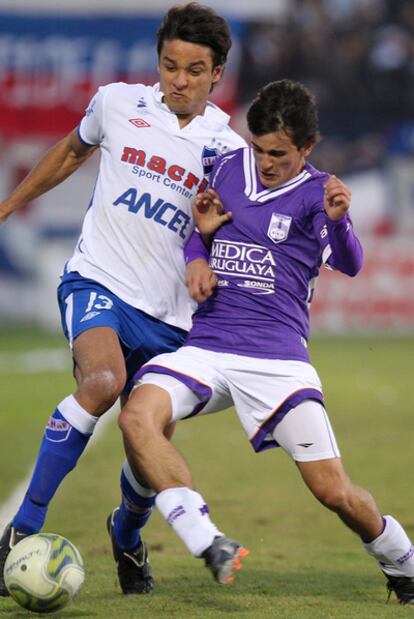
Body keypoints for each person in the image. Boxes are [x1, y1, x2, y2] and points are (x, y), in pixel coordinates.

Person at [116, 79, 414, 604]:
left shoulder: (319, 193)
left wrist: (341, 224)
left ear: (307, 148)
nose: (266, 160)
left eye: (278, 152)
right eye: (258, 147)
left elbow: (351, 263)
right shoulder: (229, 168)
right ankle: (207, 540)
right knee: (137, 415)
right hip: (208, 345)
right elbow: (196, 228)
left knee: (333, 491)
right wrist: (198, 256)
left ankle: (403, 563)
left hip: (278, 361)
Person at [0, 2, 246, 596]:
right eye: (169, 65)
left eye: (194, 70)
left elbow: (235, 240)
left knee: (145, 444)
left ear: (217, 74)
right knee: (103, 382)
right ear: (157, 62)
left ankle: (127, 535)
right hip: (98, 281)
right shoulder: (116, 102)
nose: (179, 81)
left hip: (173, 319)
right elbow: (70, 152)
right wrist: (7, 206)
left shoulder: (230, 151)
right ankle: (19, 530)